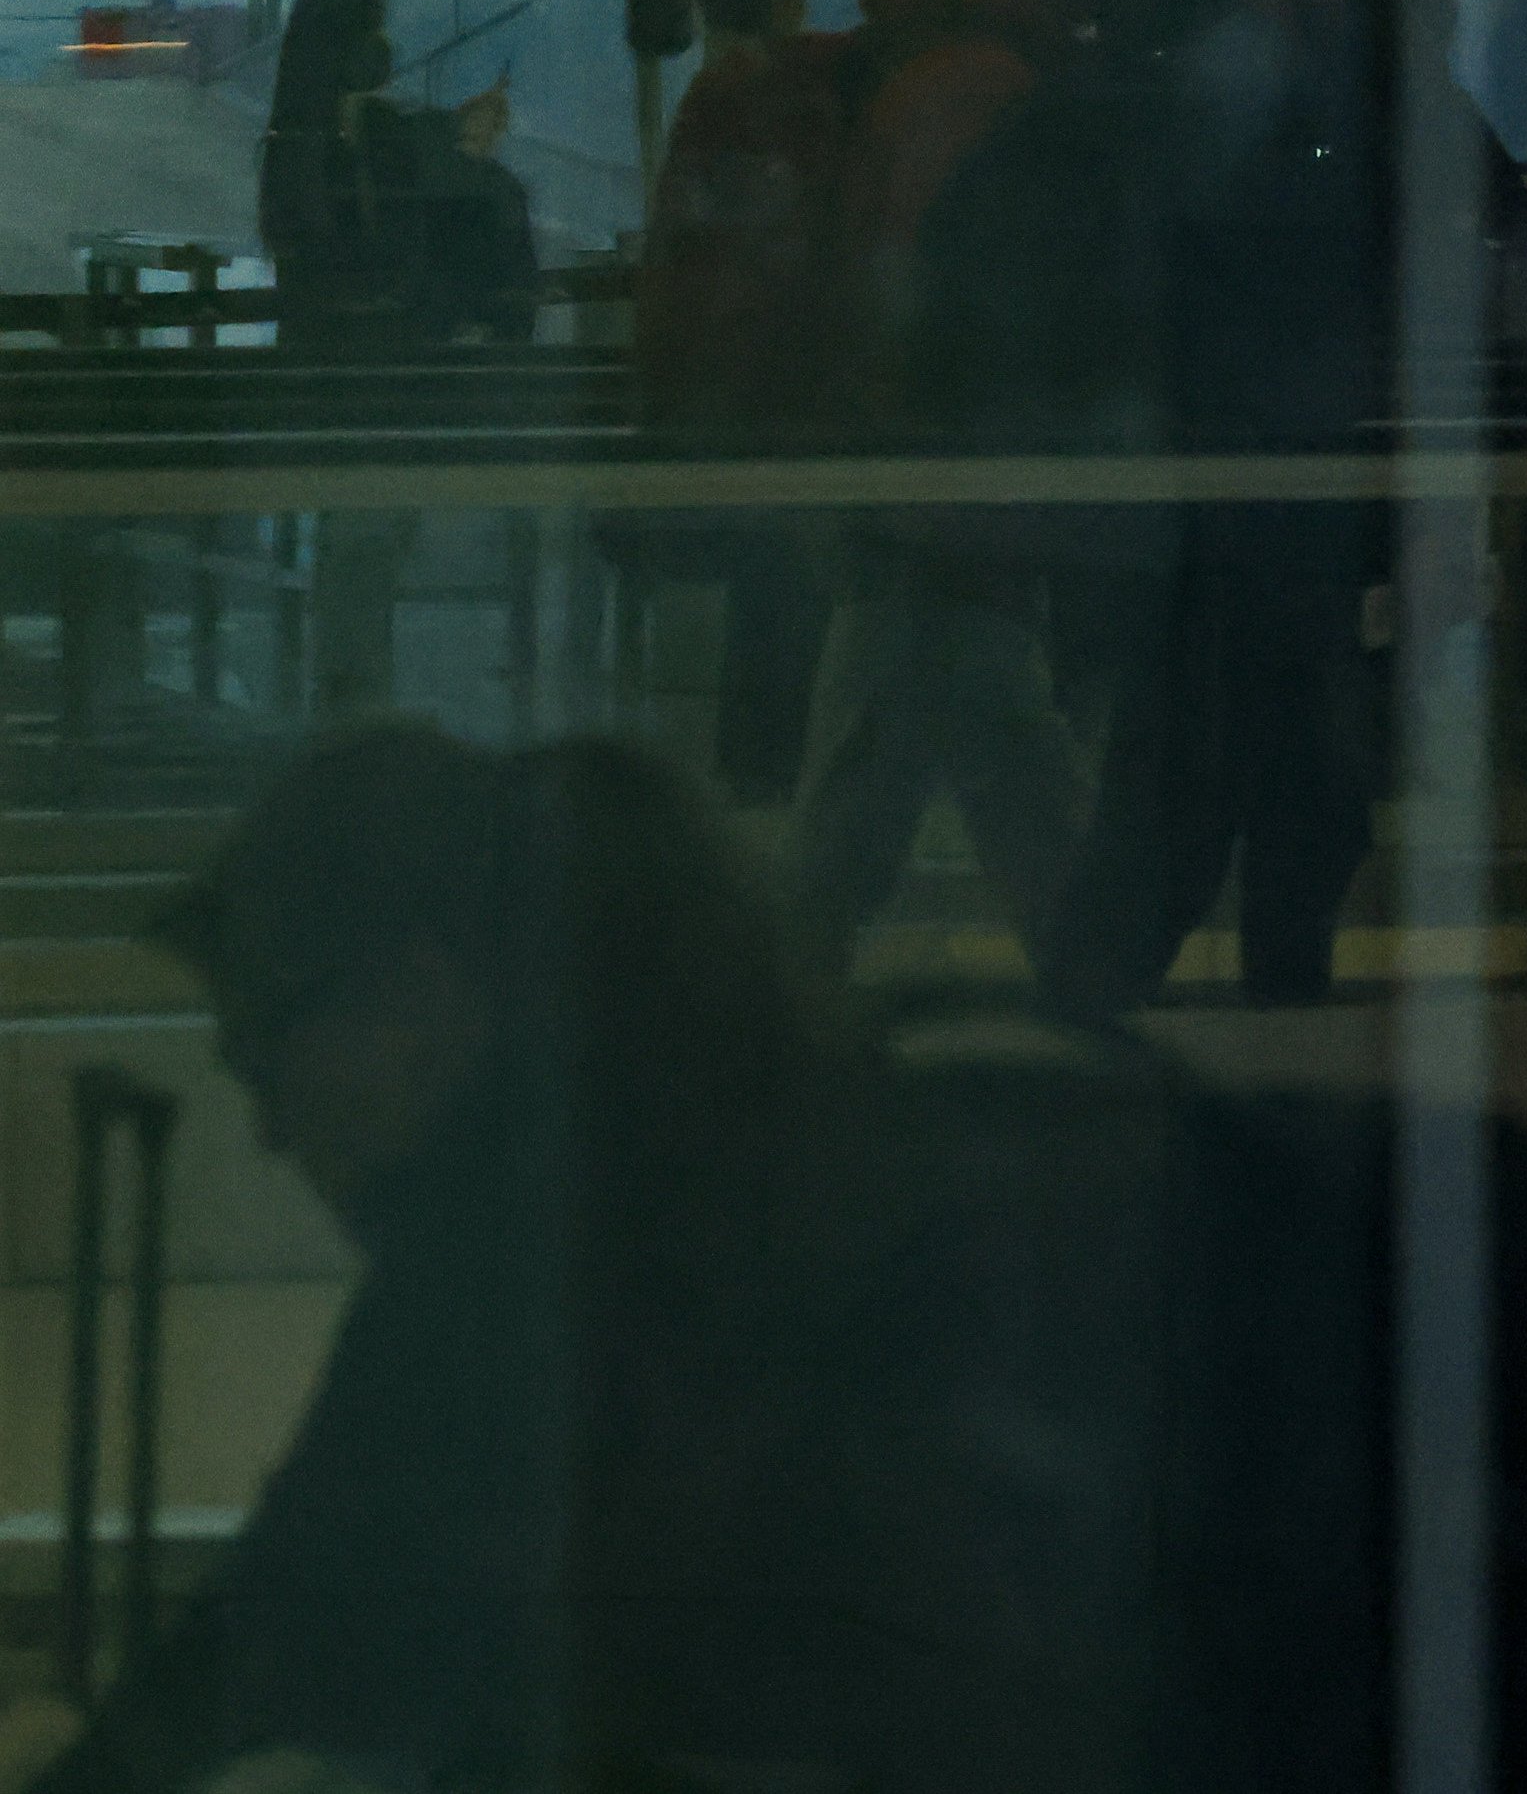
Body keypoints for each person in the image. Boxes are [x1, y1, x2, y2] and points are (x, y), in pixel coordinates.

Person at [11, 726, 1115, 1794]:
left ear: (413, 987)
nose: (272, 1130)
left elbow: (284, 1627)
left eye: (267, 1056)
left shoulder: (516, 1261)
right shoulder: (742, 1141)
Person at [1027, 0, 1520, 1016]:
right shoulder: (1269, 81)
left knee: (1230, 798)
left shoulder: (1169, 63)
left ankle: (1112, 1039)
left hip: (1228, 497)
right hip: (1259, 491)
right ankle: (1238, 1042)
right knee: (1248, 801)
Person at [786, 0, 1167, 972]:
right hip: (945, 474)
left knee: (906, 740)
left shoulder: (958, 61)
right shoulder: (990, 83)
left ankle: (791, 977)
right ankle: (1091, 973)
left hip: (921, 476)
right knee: (975, 726)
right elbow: (940, 301)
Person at [255, 0, 538, 713]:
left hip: (342, 376)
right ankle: (357, 697)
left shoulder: (301, 138)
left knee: (365, 542)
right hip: (375, 377)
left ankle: (355, 698)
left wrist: (453, 137)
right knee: (366, 542)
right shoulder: (349, 142)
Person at [632, 0, 853, 798]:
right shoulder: (793, 95)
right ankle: (769, 790)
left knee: (769, 610)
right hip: (791, 389)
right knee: (790, 609)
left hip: (722, 390)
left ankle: (754, 785)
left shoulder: (710, 99)